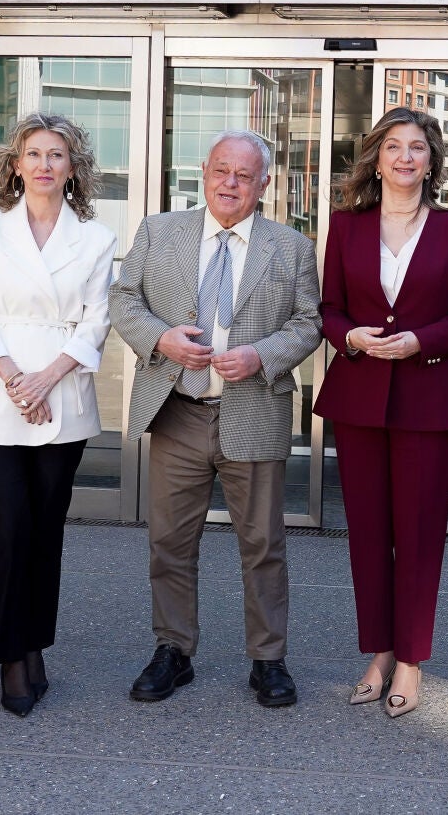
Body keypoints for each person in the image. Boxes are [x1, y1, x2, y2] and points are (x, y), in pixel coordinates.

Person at [111, 131, 322, 711]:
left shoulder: (291, 247)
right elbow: (123, 299)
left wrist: (261, 355)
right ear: (204, 172)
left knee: (263, 544)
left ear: (264, 184)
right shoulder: (159, 231)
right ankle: (173, 650)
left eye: (244, 175)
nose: (231, 183)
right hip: (178, 409)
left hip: (253, 410)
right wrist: (162, 339)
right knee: (170, 543)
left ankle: (268, 659)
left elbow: (309, 322)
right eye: (222, 170)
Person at [314, 106, 448, 718]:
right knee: (367, 535)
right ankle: (379, 651)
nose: (405, 157)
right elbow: (329, 309)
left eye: (417, 147)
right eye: (393, 146)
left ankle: (410, 660)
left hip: (425, 400)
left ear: (432, 160)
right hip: (358, 399)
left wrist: (420, 342)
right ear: (377, 158)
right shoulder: (346, 227)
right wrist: (350, 336)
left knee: (417, 537)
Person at [0, 113, 117, 717]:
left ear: (73, 168)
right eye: (34, 154)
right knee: (6, 528)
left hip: (61, 395)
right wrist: (17, 380)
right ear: (15, 165)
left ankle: (35, 644)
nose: (45, 164)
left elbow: (97, 319)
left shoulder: (96, 238)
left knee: (46, 529)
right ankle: (12, 657)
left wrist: (46, 378)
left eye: (57, 155)